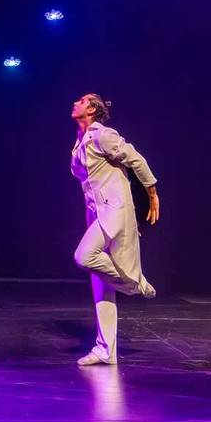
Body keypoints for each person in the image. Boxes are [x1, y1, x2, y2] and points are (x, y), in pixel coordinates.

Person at [69, 94, 159, 366]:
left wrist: (152, 194)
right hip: (97, 213)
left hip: (115, 210)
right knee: (100, 287)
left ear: (93, 109)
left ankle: (133, 282)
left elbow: (135, 159)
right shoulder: (81, 140)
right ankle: (105, 349)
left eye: (82, 100)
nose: (76, 102)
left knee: (84, 257)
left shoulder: (102, 135)